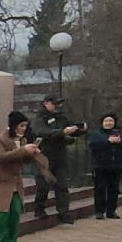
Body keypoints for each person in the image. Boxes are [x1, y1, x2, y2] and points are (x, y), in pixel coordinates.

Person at [0, 111, 50, 242]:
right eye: (21, 125)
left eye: (25, 125)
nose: (23, 128)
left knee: (14, 213)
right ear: (14, 125)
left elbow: (21, 160)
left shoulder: (22, 140)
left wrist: (32, 154)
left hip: (15, 183)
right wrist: (22, 151)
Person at [31, 94, 81, 223]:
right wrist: (62, 133)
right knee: (43, 185)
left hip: (60, 156)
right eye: (54, 104)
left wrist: (80, 129)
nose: (57, 106)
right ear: (46, 103)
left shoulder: (61, 117)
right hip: (44, 156)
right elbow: (42, 132)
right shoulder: (39, 118)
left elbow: (69, 129)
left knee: (62, 186)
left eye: (58, 104)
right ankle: (39, 210)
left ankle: (64, 212)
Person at [89, 113, 122, 219]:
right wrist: (108, 141)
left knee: (114, 189)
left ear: (114, 123)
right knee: (100, 189)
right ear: (102, 123)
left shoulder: (120, 134)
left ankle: (111, 211)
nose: (108, 123)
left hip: (117, 166)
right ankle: (99, 211)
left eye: (111, 121)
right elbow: (93, 146)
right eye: (106, 121)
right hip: (100, 166)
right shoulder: (96, 134)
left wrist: (120, 141)